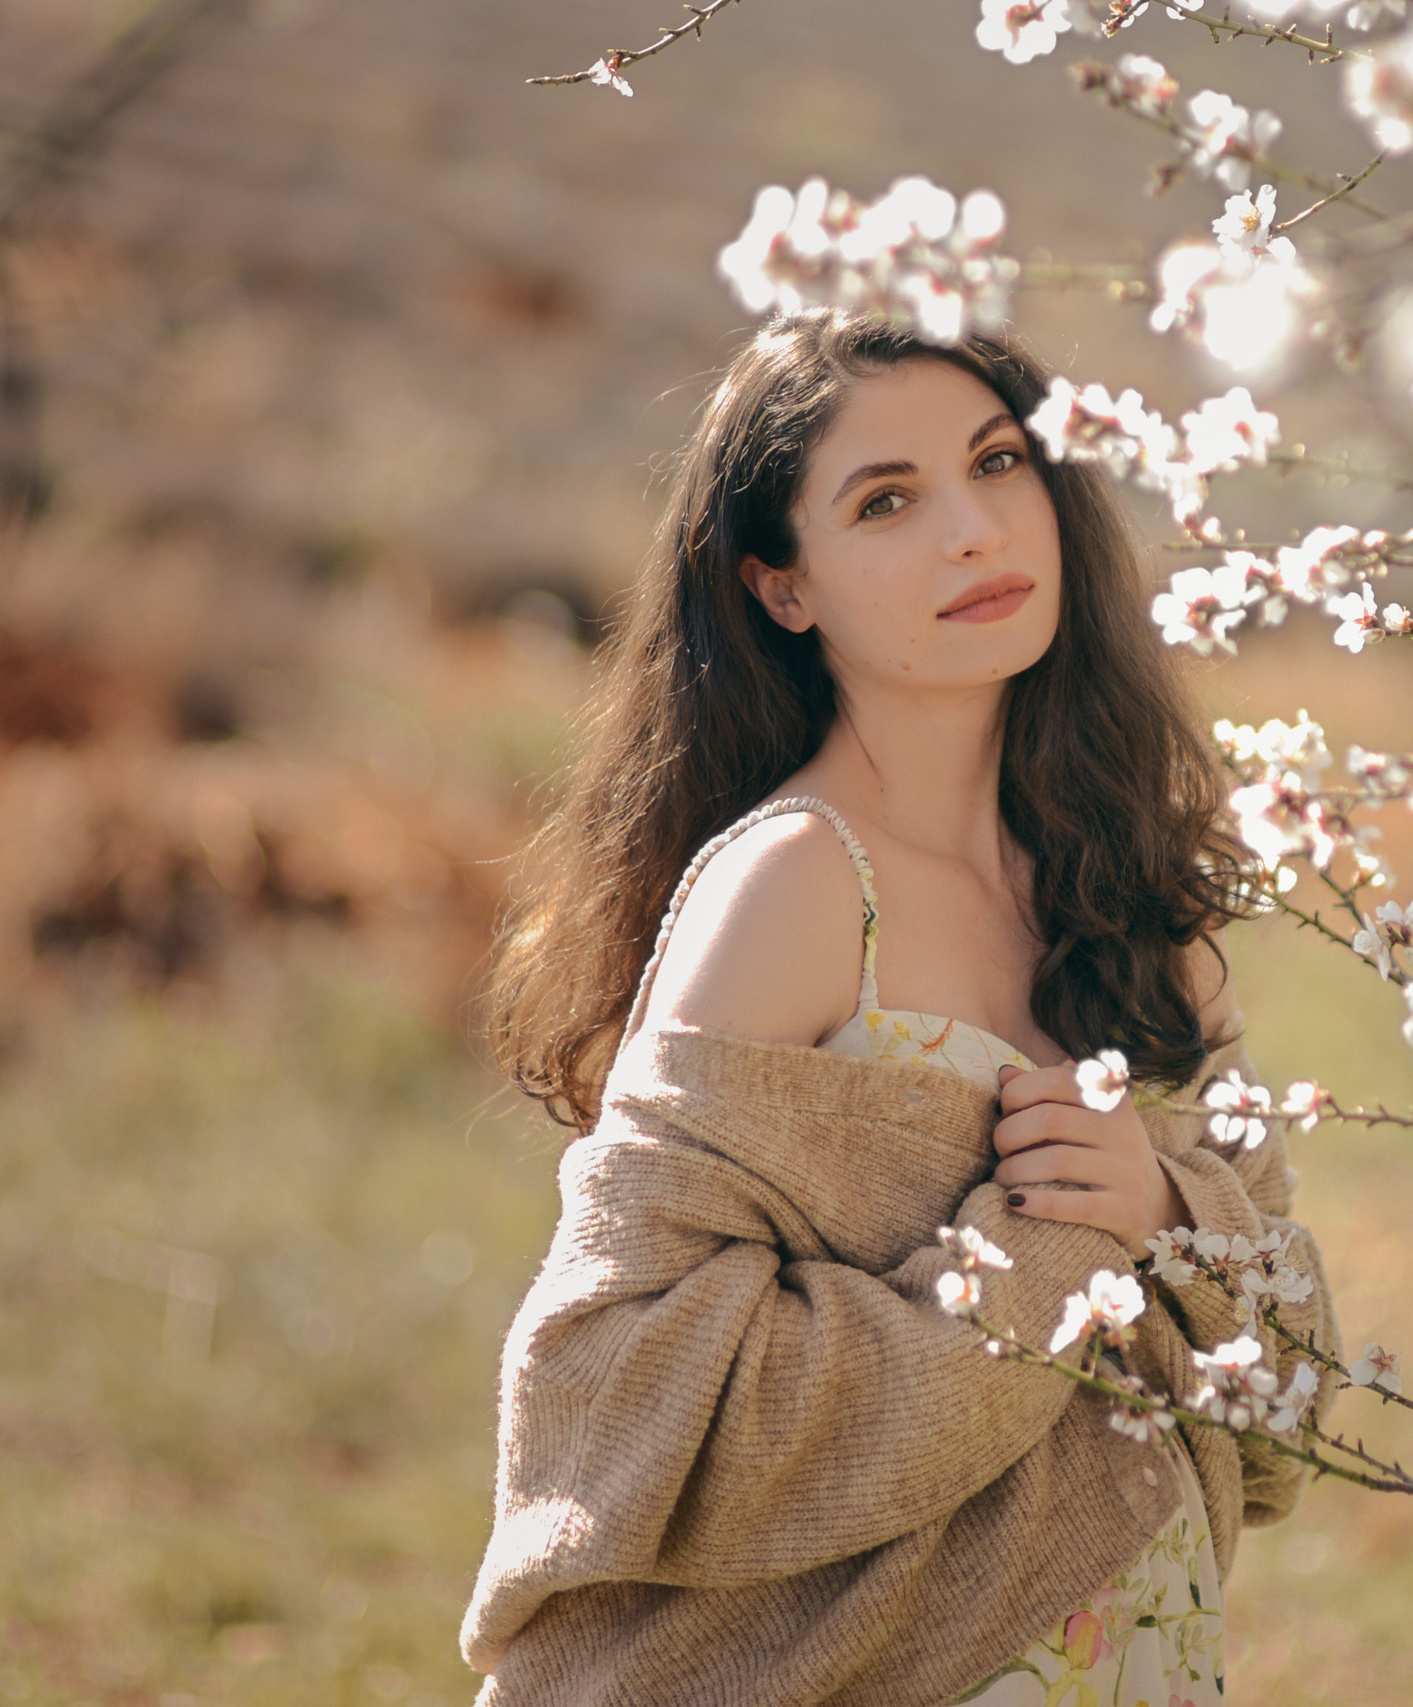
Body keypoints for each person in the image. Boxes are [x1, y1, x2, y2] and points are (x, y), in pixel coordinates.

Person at [462, 309, 1337, 1707]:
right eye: (886, 501)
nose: (975, 532)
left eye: (999, 464)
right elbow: (612, 1397)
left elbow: (1293, 1402)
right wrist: (1050, 1261)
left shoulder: (1133, 899)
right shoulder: (801, 886)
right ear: (783, 588)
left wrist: (1167, 1215)